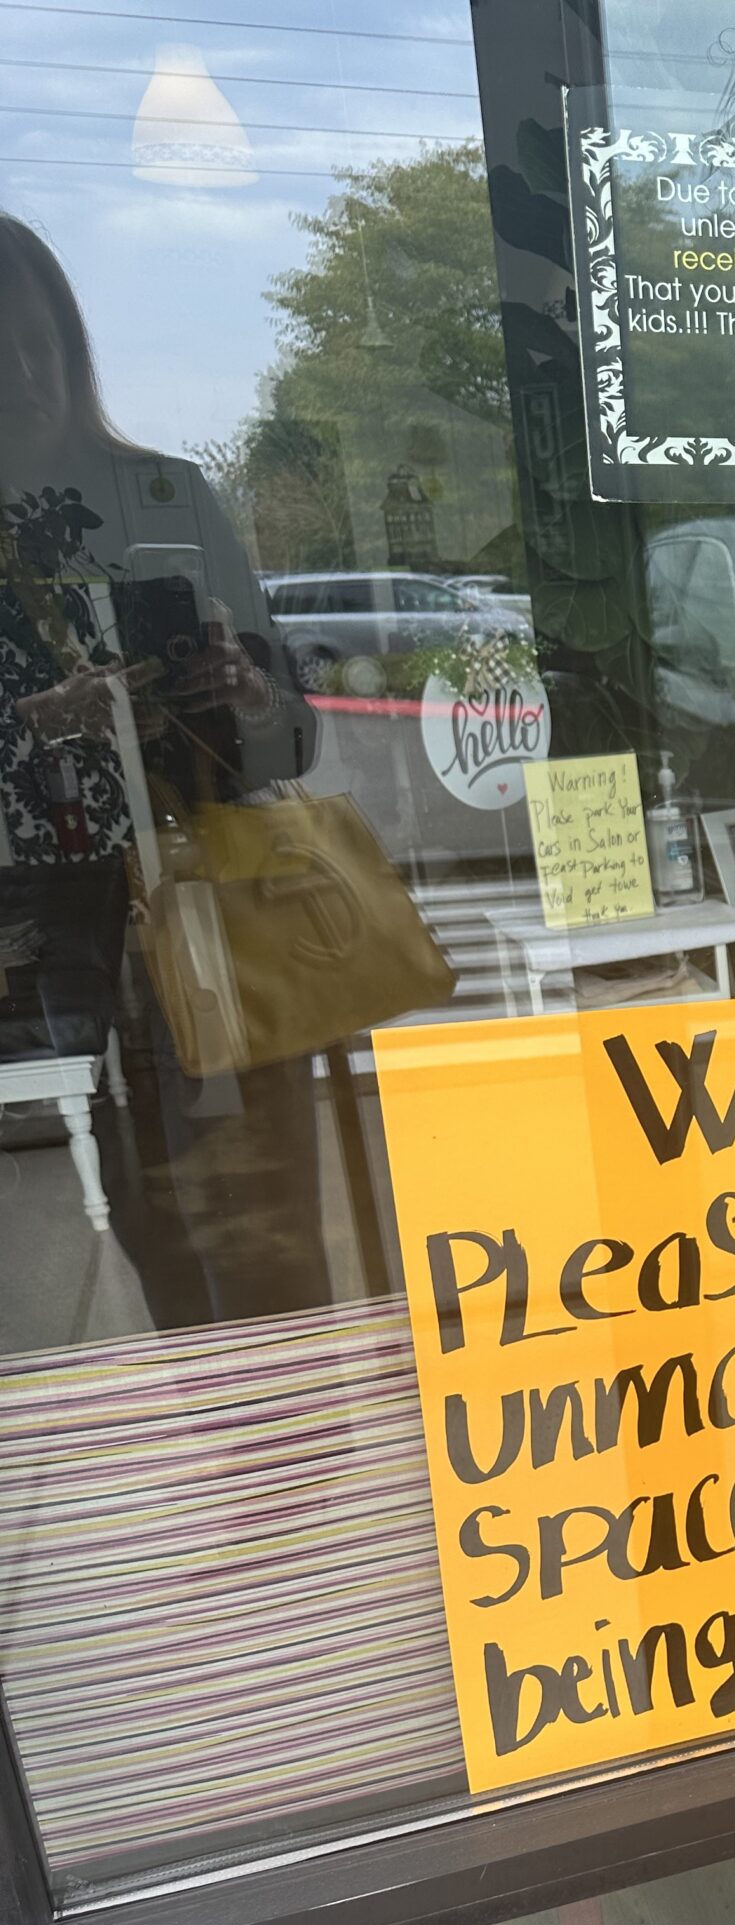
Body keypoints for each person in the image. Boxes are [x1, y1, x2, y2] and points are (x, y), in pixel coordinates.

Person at [0, 211, 330, 1326]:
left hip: (223, 896)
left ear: (72, 344)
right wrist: (31, 729)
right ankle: (223, 1415)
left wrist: (246, 692)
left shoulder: (168, 497)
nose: (23, 374)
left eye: (37, 341)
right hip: (52, 929)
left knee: (272, 1200)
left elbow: (297, 735)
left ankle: (303, 1423)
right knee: (141, 1211)